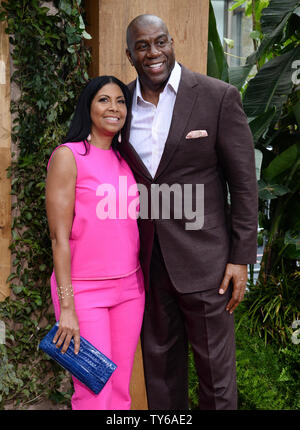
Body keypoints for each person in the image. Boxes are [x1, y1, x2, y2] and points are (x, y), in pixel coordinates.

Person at [118, 14, 258, 410]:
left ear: (172, 41)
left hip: (208, 263)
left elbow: (244, 184)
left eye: (160, 42)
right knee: (160, 372)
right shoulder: (121, 105)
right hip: (148, 262)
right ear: (130, 55)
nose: (154, 53)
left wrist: (240, 258)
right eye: (143, 46)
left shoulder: (217, 96)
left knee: (215, 377)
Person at [45, 75, 145, 410]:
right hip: (84, 294)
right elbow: (59, 239)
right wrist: (68, 307)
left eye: (120, 101)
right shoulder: (69, 156)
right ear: (88, 106)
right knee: (93, 392)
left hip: (130, 290)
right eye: (104, 100)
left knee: (120, 392)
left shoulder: (126, 160)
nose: (114, 108)